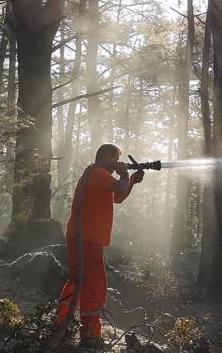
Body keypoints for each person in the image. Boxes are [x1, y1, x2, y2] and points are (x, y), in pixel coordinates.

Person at [56, 144, 144, 349]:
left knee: (77, 280)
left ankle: (62, 325)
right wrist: (124, 176)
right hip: (87, 238)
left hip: (82, 237)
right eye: (115, 158)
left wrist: (130, 181)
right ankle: (90, 334)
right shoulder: (98, 172)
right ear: (105, 157)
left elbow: (118, 197)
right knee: (94, 283)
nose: (117, 163)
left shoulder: (96, 175)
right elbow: (119, 188)